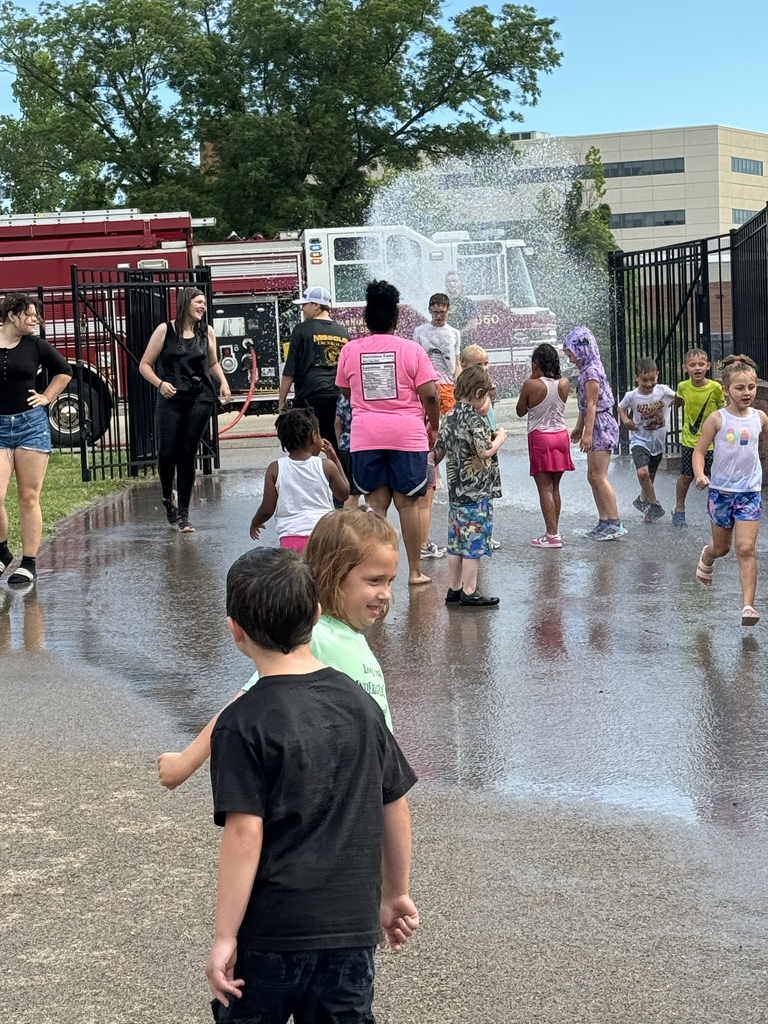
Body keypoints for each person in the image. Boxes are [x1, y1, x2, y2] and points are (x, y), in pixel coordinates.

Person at [204, 546, 418, 1021]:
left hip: (272, 933)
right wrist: (395, 892)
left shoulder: (241, 723)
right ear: (318, 613)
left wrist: (224, 937)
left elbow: (244, 833)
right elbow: (395, 804)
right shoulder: (360, 703)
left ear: (234, 629)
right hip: (351, 932)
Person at [158, 508, 400, 788]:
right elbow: (244, 700)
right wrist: (187, 761)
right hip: (344, 794)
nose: (386, 593)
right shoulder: (315, 636)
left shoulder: (348, 635)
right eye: (374, 580)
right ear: (333, 574)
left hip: (372, 784)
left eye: (389, 581)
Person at [336, 280, 439, 586]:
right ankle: (415, 572)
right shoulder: (412, 350)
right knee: (408, 504)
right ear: (396, 319)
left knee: (376, 506)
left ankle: (377, 575)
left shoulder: (351, 350)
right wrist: (433, 424)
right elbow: (430, 395)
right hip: (407, 437)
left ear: (367, 319)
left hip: (366, 437)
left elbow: (344, 388)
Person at [140, 287, 231, 533]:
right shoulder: (165, 330)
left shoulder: (207, 332)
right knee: (168, 453)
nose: (203, 306)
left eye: (204, 302)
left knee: (188, 454)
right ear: (185, 303)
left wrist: (223, 382)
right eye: (198, 302)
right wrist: (160, 384)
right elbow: (145, 365)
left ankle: (184, 514)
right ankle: (168, 496)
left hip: (200, 399)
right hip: (171, 398)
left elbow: (212, 362)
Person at [0, 293, 73, 587]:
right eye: (29, 315)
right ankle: (3, 551)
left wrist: (47, 397)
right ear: (12, 315)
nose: (35, 320)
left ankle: (28, 562)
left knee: (28, 496)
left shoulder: (36, 345)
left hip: (31, 427)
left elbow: (64, 372)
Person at [693, 355, 768, 626]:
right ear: (726, 390)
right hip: (721, 492)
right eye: (740, 388)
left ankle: (748, 605)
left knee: (746, 548)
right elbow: (699, 451)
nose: (746, 393)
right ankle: (708, 554)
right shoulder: (717, 419)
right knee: (722, 548)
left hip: (749, 492)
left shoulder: (760, 418)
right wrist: (701, 474)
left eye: (751, 387)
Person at [435, 365, 506, 607]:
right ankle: (470, 590)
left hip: (456, 492)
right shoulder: (474, 419)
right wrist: (500, 438)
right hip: (476, 491)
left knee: (456, 541)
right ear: (477, 392)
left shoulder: (449, 416)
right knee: (473, 541)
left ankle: (454, 588)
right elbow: (484, 451)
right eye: (484, 394)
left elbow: (439, 451)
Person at [249, 408, 349, 552]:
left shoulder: (275, 469)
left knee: (297, 573)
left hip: (291, 538)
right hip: (323, 535)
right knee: (323, 573)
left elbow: (267, 509)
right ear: (314, 436)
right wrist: (334, 458)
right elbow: (344, 494)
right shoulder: (326, 466)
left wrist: (255, 522)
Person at [565, 326, 624, 541]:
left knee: (599, 476)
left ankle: (614, 522)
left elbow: (592, 405)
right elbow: (584, 406)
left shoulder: (591, 371)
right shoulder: (586, 369)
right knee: (593, 476)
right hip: (594, 423)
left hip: (601, 425)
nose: (570, 358)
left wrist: (587, 433)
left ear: (582, 349)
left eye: (571, 353)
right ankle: (604, 521)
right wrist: (580, 427)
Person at [516, 342, 574, 548]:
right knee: (555, 488)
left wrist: (531, 379)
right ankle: (554, 531)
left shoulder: (531, 385)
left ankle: (551, 535)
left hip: (541, 436)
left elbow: (520, 411)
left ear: (536, 364)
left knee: (545, 489)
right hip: (560, 435)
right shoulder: (564, 383)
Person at [278, 286, 350, 452]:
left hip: (310, 398)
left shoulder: (301, 330)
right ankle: (340, 476)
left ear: (316, 305)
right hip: (338, 397)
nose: (302, 309)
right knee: (334, 446)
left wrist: (282, 400)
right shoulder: (343, 333)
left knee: (304, 446)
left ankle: (309, 476)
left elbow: (290, 369)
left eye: (305, 305)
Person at [618, 357, 676, 524]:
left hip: (658, 442)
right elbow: (621, 407)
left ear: (657, 375)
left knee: (649, 477)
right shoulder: (632, 396)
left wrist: (679, 400)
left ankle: (644, 505)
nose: (649, 384)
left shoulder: (663, 391)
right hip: (639, 440)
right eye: (644, 380)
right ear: (636, 377)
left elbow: (678, 399)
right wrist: (626, 421)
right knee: (642, 473)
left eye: (652, 379)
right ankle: (654, 505)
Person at [672, 347, 726, 528]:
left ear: (708, 366)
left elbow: (722, 410)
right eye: (692, 365)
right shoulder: (682, 387)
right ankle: (679, 508)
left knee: (715, 478)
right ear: (684, 368)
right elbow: (678, 401)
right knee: (686, 476)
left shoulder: (715, 388)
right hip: (690, 441)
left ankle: (718, 511)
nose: (697, 368)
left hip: (712, 442)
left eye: (701, 364)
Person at [459, 345, 502, 549]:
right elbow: (482, 410)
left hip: (487, 438)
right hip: (477, 447)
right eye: (479, 364)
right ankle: (477, 533)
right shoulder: (467, 389)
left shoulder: (482, 384)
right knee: (478, 492)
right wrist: (487, 395)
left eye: (486, 363)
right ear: (464, 366)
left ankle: (486, 533)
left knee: (488, 493)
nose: (484, 368)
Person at [413, 292, 461, 414]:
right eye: (435, 313)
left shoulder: (455, 333)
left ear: (448, 310)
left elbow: (457, 363)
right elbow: (415, 362)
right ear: (429, 310)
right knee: (427, 420)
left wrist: (460, 385)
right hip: (427, 384)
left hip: (447, 384)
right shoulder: (419, 332)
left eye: (442, 312)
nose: (438, 316)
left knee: (447, 421)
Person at [333, 393, 363, 510]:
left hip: (346, 444)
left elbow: (337, 422)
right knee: (360, 491)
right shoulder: (364, 393)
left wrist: (339, 441)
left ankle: (347, 518)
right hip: (364, 445)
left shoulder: (343, 396)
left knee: (350, 489)